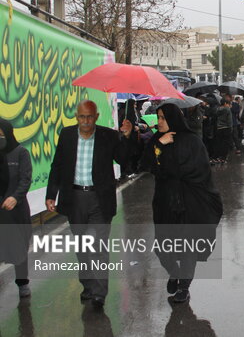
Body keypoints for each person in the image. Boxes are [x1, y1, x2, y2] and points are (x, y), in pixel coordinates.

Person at [45, 100, 134, 308]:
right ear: (77, 117)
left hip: (99, 200)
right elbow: (57, 165)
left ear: (95, 117)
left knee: (98, 247)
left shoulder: (108, 136)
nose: (85, 121)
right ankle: (88, 285)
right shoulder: (67, 135)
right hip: (74, 198)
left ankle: (99, 293)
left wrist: (128, 137)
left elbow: (124, 159)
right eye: (81, 117)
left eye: (89, 117)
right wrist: (51, 194)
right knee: (82, 246)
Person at [140, 104, 223, 303]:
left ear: (173, 119)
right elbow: (144, 164)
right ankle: (175, 273)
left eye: (163, 118)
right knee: (162, 247)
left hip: (188, 202)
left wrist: (170, 170)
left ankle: (183, 288)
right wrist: (159, 145)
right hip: (164, 202)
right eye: (158, 117)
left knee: (187, 247)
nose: (159, 122)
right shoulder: (156, 140)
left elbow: (199, 170)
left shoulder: (191, 141)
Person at [0, 119, 32, 299]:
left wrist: (15, 197)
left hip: (16, 210)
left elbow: (25, 179)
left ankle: (22, 283)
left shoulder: (21, 153)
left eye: (1, 134)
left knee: (19, 249)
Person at [214, 99, 233, 163]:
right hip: (226, 128)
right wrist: (230, 128)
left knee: (219, 143)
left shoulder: (217, 109)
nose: (228, 105)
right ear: (225, 103)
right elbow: (229, 120)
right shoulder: (227, 109)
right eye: (228, 103)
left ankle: (219, 157)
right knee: (225, 144)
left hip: (219, 128)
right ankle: (224, 158)